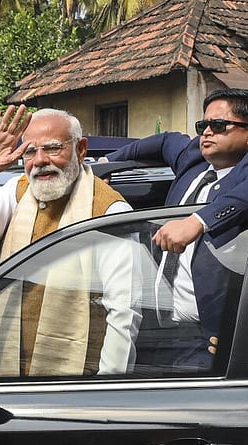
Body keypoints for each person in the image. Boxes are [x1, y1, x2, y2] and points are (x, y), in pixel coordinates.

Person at [0, 106, 140, 377]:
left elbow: (124, 312)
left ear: (81, 149)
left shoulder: (109, 210)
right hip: (5, 371)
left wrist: (105, 392)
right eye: (29, 151)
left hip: (72, 382)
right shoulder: (18, 192)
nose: (39, 160)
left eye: (52, 148)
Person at [105, 88, 248, 366]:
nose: (207, 132)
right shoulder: (193, 158)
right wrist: (105, 163)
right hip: (152, 332)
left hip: (206, 340)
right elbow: (164, 141)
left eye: (218, 125)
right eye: (203, 125)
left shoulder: (243, 175)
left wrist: (198, 221)